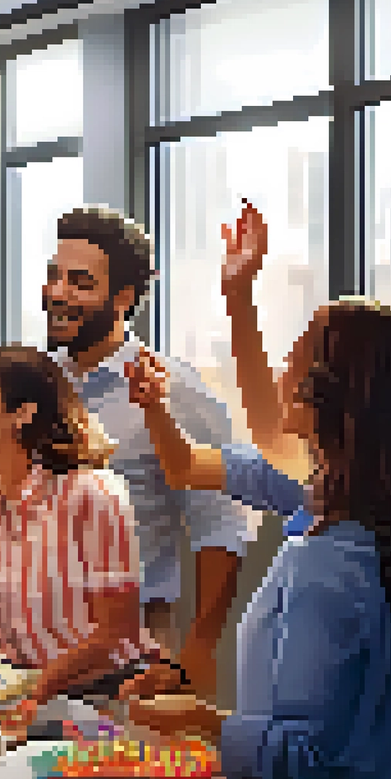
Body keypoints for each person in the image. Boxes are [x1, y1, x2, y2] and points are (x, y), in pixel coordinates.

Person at [117, 202, 391, 779]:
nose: (284, 365)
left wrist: (198, 719)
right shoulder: (355, 507)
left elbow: (305, 760)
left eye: (300, 352)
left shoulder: (330, 560)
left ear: (328, 399)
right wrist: (231, 304)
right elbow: (198, 461)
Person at [42, 206, 251, 697]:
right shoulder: (39, 383)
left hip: (136, 645)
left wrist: (200, 646)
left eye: (80, 282)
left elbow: (221, 522)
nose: (58, 293)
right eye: (54, 276)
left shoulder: (172, 389)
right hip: (39, 638)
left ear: (124, 297)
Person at [0, 345, 166, 734]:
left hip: (103, 701)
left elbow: (115, 632)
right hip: (23, 693)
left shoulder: (94, 494)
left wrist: (34, 694)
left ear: (21, 415)